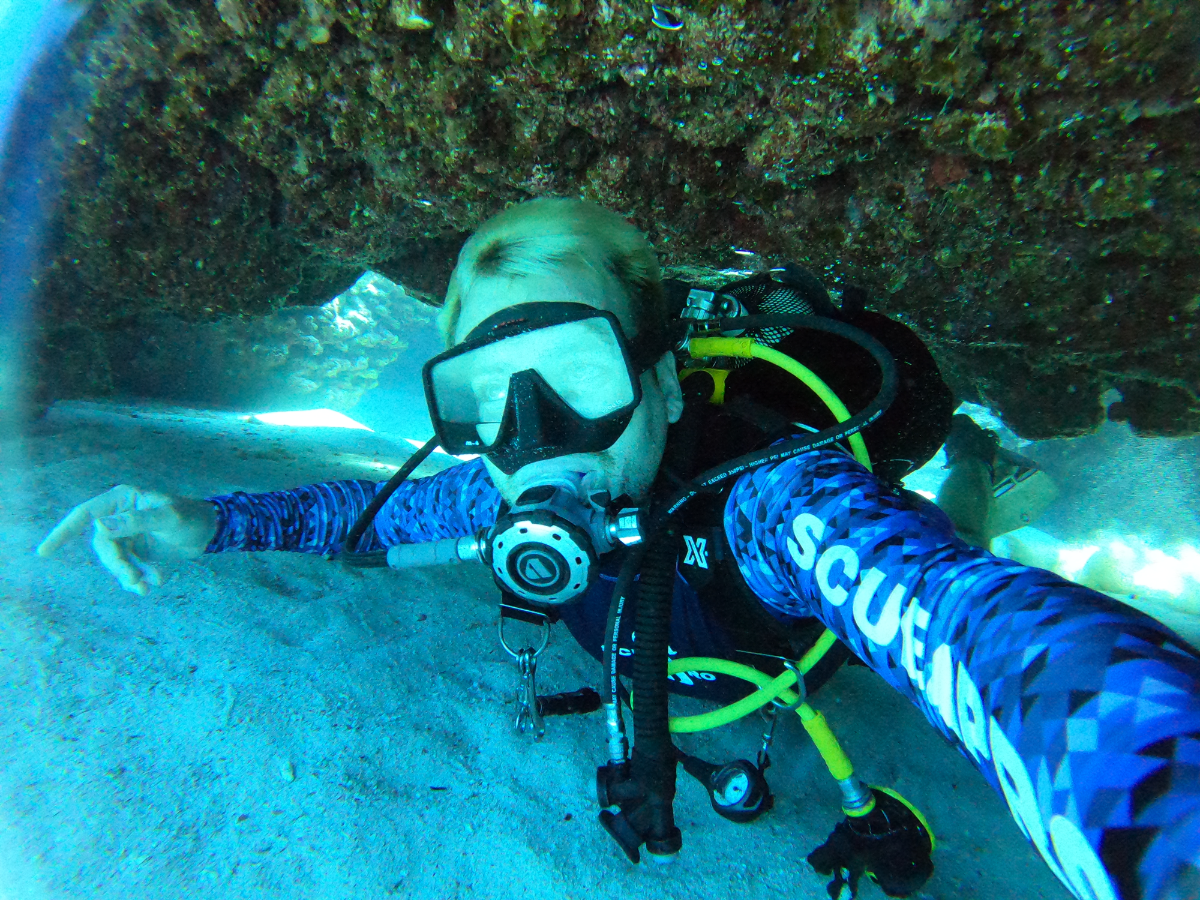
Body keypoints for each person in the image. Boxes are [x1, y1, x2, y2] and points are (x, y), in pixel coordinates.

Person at [37, 199, 1200, 900]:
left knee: (960, 530)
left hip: (804, 641)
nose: (536, 438)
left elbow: (955, 613)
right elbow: (368, 515)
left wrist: (1159, 808)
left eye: (578, 374)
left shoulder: (772, 493)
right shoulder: (496, 490)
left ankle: (981, 475)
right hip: (711, 672)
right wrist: (208, 523)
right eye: (492, 394)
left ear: (657, 375)